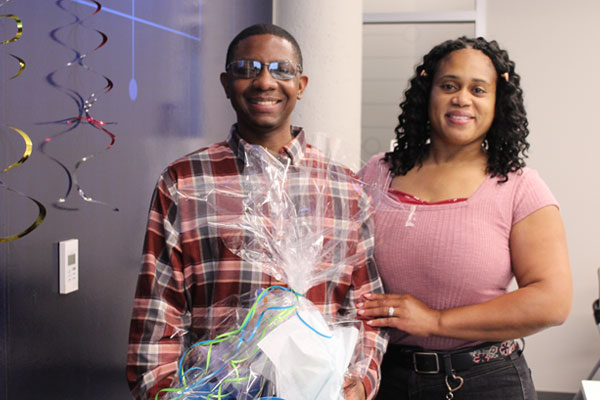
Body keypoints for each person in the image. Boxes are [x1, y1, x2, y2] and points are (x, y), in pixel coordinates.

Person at [127, 23, 387, 400]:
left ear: (302, 84)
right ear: (225, 82)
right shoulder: (184, 181)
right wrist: (166, 393)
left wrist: (360, 384)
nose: (265, 81)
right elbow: (158, 309)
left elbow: (367, 309)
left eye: (282, 69)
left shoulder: (344, 188)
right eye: (247, 68)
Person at [357, 37, 572, 399]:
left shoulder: (519, 187)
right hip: (384, 378)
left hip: (484, 381)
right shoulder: (377, 174)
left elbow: (553, 300)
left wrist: (435, 321)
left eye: (478, 89)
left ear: (496, 103)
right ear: (428, 92)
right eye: (449, 86)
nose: (462, 99)